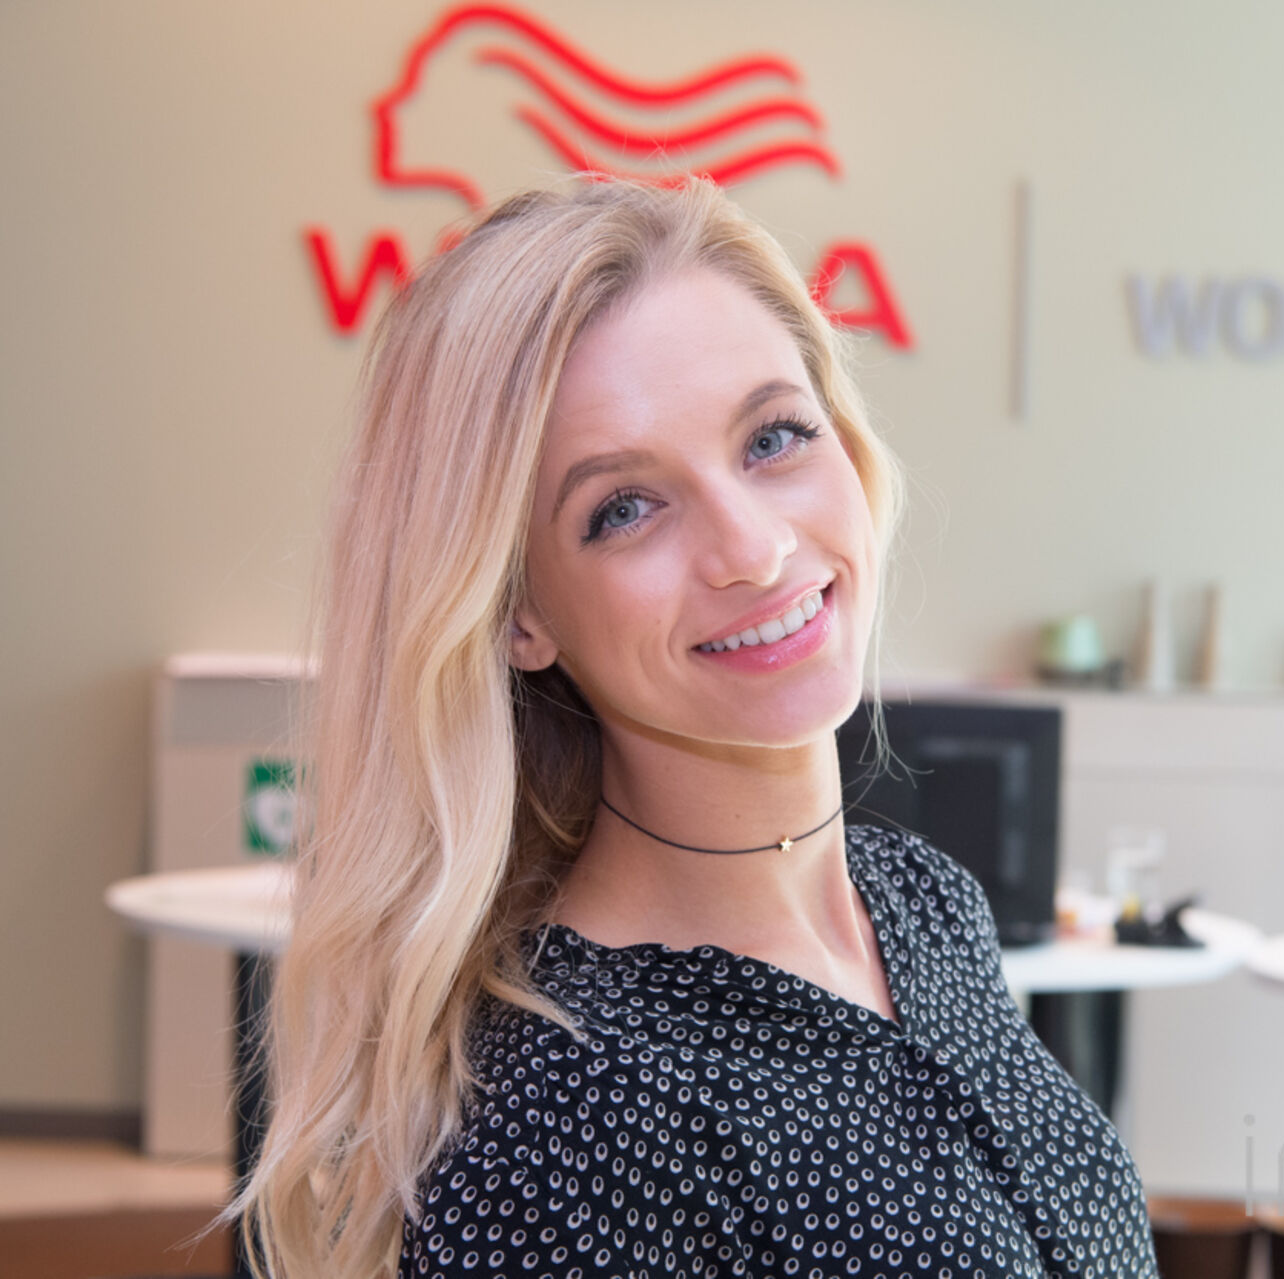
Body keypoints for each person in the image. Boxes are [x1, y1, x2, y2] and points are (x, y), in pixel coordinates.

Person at [227, 176, 1159, 1279]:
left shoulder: (924, 907)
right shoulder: (560, 1131)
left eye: (774, 437)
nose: (753, 549)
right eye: (624, 508)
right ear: (519, 614)